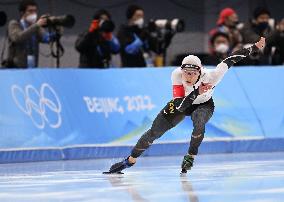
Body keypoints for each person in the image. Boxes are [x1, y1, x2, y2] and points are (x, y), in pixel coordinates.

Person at [104, 37, 266, 174]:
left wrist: (254, 47)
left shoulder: (212, 76)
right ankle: (130, 161)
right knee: (153, 132)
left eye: (192, 73)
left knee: (199, 122)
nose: (188, 77)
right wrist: (196, 91)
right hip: (183, 103)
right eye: (185, 72)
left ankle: (190, 156)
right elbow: (180, 106)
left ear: (200, 72)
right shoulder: (176, 75)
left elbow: (231, 58)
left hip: (203, 104)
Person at [5, 0, 54, 68]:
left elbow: (46, 38)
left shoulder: (36, 26)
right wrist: (36, 25)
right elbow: (17, 38)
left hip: (33, 64)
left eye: (35, 11)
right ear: (22, 13)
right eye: (30, 11)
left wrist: (57, 30)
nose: (34, 14)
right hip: (17, 67)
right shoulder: (14, 24)